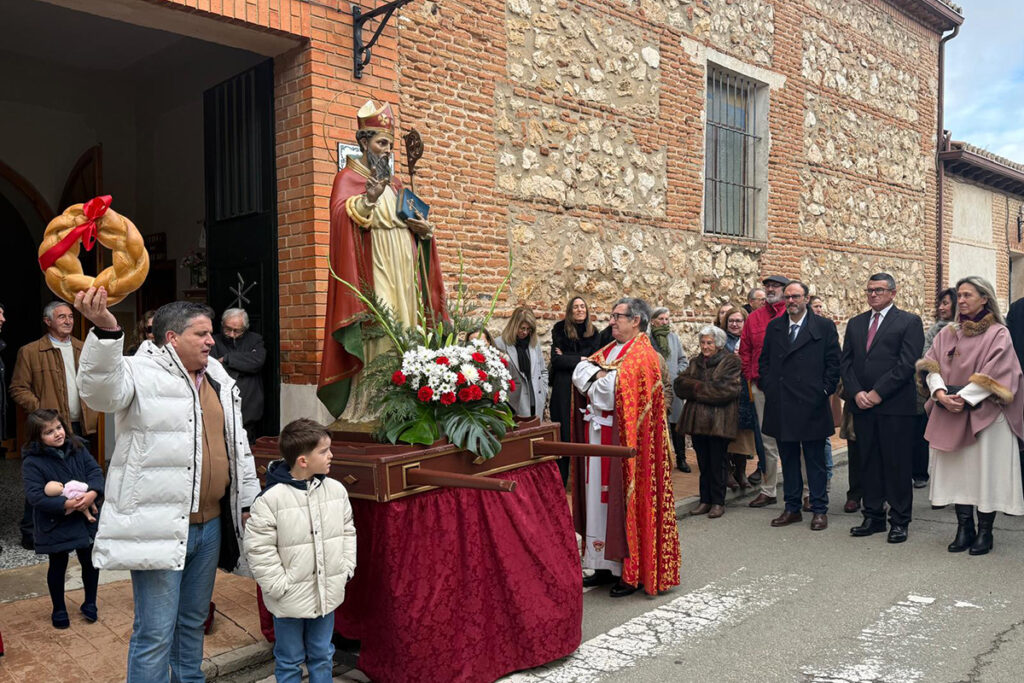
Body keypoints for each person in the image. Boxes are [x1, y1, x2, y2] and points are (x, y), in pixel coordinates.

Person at [73, 288, 260, 682]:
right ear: (172, 338)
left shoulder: (218, 376)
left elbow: (237, 444)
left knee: (192, 622)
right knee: (155, 632)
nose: (212, 341)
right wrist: (107, 330)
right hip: (158, 527)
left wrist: (247, 499)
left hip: (209, 527)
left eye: (212, 334)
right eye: (202, 334)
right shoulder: (138, 372)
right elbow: (99, 391)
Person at [318, 99, 446, 423]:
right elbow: (340, 220)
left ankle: (409, 402)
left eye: (390, 144)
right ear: (364, 142)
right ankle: (376, 406)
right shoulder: (346, 178)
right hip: (373, 267)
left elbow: (414, 225)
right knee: (385, 332)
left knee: (409, 327)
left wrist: (424, 231)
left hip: (404, 268)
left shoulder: (398, 184)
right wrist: (369, 198)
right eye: (381, 143)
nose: (387, 150)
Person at [571, 297, 680, 597]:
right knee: (598, 501)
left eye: (617, 316)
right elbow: (579, 374)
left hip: (625, 445)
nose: (611, 321)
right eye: (611, 316)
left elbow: (607, 393)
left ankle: (627, 571)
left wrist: (596, 379)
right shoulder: (611, 350)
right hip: (599, 438)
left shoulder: (642, 355)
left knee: (619, 501)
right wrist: (598, 376)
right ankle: (603, 564)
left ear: (636, 320)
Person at [243, 418, 357, 683]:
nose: (331, 456)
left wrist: (345, 569)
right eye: (324, 451)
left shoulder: (336, 491)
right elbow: (258, 549)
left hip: (326, 593)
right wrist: (279, 586)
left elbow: (347, 531)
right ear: (303, 460)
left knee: (322, 654)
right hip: (288, 598)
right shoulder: (271, 500)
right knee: (289, 659)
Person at [918, 277, 1024, 555]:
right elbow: (932, 366)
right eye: (959, 295)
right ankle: (964, 527)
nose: (961, 300)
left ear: (984, 298)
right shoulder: (947, 333)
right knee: (958, 473)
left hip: (986, 414)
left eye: (968, 295)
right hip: (949, 409)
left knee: (984, 473)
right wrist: (940, 394)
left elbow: (1000, 372)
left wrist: (964, 398)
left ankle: (985, 532)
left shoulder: (999, 333)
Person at [841, 273, 924, 544]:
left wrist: (877, 393)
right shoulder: (855, 323)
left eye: (878, 290)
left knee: (896, 464)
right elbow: (847, 363)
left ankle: (899, 520)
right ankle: (873, 516)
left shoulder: (909, 322)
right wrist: (857, 393)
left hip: (894, 406)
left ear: (893, 293)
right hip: (862, 405)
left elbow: (907, 363)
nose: (873, 295)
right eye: (869, 291)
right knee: (868, 462)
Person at [10, 301, 99, 550]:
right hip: (48, 427)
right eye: (62, 317)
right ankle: (32, 532)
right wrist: (40, 411)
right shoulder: (30, 351)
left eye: (71, 316)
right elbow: (17, 388)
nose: (68, 321)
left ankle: (81, 527)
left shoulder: (84, 348)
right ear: (48, 321)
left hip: (78, 424)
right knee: (45, 481)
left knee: (78, 479)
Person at [758, 281, 840, 531]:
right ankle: (792, 508)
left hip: (812, 404)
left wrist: (823, 391)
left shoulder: (823, 326)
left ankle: (818, 509)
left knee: (814, 461)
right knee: (789, 459)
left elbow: (833, 363)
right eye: (788, 297)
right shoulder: (775, 327)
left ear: (806, 299)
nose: (791, 301)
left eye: (796, 297)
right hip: (782, 403)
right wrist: (770, 388)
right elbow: (765, 362)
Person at [21, 409, 103, 629]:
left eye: (58, 427)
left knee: (90, 561)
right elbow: (35, 496)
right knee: (58, 564)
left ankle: (90, 602)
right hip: (55, 522)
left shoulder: (77, 447)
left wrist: (92, 494)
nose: (57, 434)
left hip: (85, 519)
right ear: (37, 437)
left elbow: (95, 471)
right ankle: (58, 608)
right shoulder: (33, 461)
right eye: (49, 432)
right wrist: (66, 504)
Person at [674, 325, 743, 518]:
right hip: (697, 422)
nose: (705, 346)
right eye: (703, 342)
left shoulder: (731, 362)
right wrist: (704, 387)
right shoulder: (696, 361)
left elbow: (725, 390)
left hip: (719, 422)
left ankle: (718, 502)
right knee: (703, 464)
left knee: (718, 463)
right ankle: (705, 500)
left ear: (719, 345)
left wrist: (694, 388)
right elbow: (679, 385)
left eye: (709, 343)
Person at [740, 275, 789, 507]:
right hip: (760, 386)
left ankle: (805, 491)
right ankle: (769, 490)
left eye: (775, 286)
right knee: (767, 441)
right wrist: (750, 377)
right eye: (767, 286)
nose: (770, 289)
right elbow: (746, 348)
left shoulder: (793, 314)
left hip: (789, 389)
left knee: (795, 439)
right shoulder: (755, 318)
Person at [550, 297, 602, 479]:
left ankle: (584, 479)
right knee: (564, 432)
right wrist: (581, 359)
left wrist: (569, 357)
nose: (580, 310)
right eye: (576, 307)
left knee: (584, 432)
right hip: (563, 388)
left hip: (585, 389)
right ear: (570, 310)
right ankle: (563, 478)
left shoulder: (595, 334)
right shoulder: (560, 330)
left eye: (582, 306)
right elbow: (556, 361)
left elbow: (597, 361)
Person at [914, 288, 956, 489]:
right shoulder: (934, 331)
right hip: (935, 390)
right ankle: (941, 488)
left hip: (959, 391)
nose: (941, 307)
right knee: (938, 441)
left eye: (946, 303)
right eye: (940, 303)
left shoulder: (965, 331)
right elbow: (927, 358)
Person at [213, 308, 267, 441]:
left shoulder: (255, 340)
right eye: (227, 329)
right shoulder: (213, 341)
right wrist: (242, 365)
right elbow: (212, 368)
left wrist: (227, 359)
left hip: (249, 406)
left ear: (245, 328)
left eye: (237, 331)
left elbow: (257, 361)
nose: (231, 334)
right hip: (221, 406)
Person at [649, 307, 691, 473]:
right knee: (659, 425)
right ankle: (662, 460)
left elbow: (683, 360)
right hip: (656, 387)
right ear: (653, 321)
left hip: (674, 388)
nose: (664, 322)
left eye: (667, 319)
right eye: (661, 319)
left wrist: (677, 373)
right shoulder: (647, 339)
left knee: (677, 426)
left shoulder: (673, 338)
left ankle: (681, 458)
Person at [720, 306, 758, 489]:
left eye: (738, 321)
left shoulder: (749, 341)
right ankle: (727, 473)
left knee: (743, 437)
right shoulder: (720, 342)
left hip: (744, 393)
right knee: (727, 436)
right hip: (726, 395)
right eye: (731, 321)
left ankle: (741, 472)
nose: (734, 324)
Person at [493, 306, 547, 419]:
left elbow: (542, 370)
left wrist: (544, 389)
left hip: (536, 399)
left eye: (529, 329)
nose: (525, 332)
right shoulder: (500, 343)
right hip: (516, 402)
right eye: (522, 328)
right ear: (514, 325)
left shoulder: (534, 343)